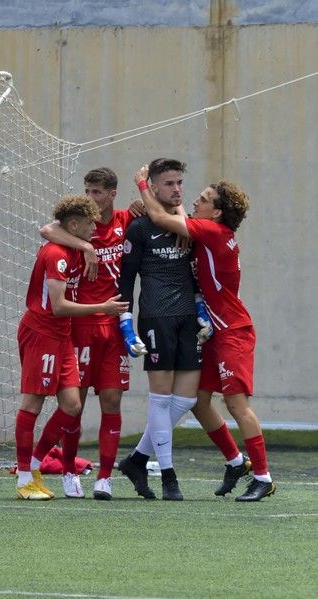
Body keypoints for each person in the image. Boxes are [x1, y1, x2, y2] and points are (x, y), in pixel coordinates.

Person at [133, 167, 276, 501]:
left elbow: (159, 215)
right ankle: (235, 461)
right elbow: (176, 213)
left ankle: (264, 477)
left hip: (233, 332)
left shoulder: (212, 231)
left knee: (237, 405)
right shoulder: (210, 229)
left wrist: (142, 184)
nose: (196, 198)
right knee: (197, 400)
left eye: (206, 198)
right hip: (214, 331)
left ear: (218, 211)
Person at [15, 194, 128, 501]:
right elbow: (59, 305)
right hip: (42, 333)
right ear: (75, 224)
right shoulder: (57, 254)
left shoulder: (76, 248)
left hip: (62, 336)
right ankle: (24, 477)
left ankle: (36, 464)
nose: (95, 227)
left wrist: (88, 246)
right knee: (32, 403)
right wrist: (102, 307)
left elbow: (55, 228)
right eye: (90, 222)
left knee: (72, 405)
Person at [39, 167, 141, 500]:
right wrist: (86, 247)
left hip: (113, 326)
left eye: (97, 192)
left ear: (112, 193)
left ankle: (105, 478)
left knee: (112, 399)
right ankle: (68, 471)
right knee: (75, 403)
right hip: (81, 326)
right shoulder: (80, 225)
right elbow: (46, 229)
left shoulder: (126, 220)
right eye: (87, 191)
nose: (90, 198)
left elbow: (153, 215)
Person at [116, 158, 212, 501]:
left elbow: (196, 275)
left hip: (187, 317)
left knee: (185, 399)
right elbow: (125, 282)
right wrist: (125, 324)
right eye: (169, 183)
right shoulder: (140, 227)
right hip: (156, 317)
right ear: (154, 187)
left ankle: (137, 460)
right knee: (160, 397)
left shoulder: (189, 225)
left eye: (180, 183)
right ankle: (169, 475)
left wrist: (201, 309)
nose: (176, 189)